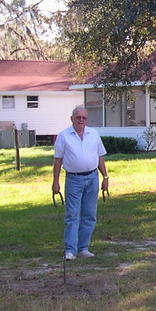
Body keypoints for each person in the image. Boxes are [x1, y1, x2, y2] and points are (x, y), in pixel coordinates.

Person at [52, 107, 109, 260]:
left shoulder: (93, 134)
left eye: (83, 117)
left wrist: (105, 177)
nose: (81, 120)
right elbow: (58, 160)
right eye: (78, 117)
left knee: (89, 215)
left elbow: (99, 157)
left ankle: (83, 248)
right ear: (72, 119)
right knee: (72, 215)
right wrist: (55, 182)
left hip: (92, 178)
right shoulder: (63, 136)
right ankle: (70, 250)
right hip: (73, 179)